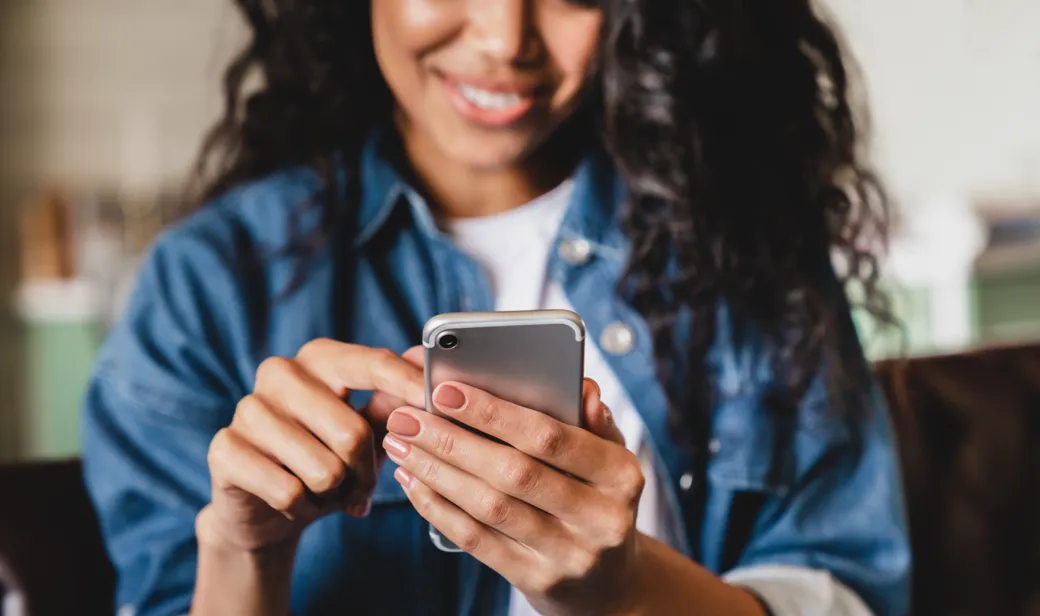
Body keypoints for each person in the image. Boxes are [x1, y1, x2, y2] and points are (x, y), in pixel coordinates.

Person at [81, 1, 911, 615]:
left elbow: (846, 590)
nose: (504, 38)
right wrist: (241, 550)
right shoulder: (210, 285)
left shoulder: (744, 246)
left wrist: (619, 591)